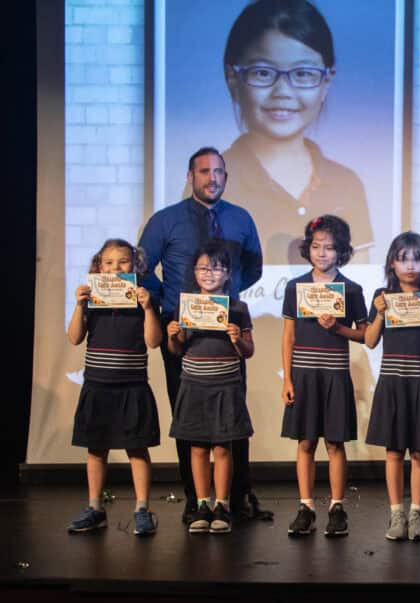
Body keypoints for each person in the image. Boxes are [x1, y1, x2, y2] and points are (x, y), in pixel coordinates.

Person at [139, 146, 269, 525]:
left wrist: (226, 297)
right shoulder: (165, 220)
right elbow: (142, 268)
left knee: (232, 416)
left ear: (226, 177)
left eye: (218, 172)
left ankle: (236, 497)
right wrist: (170, 302)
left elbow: (254, 267)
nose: (212, 178)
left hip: (227, 334)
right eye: (204, 171)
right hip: (182, 332)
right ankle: (194, 499)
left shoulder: (241, 218)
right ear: (190, 176)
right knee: (188, 418)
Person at [221, 0, 373, 264]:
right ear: (233, 78)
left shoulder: (346, 184)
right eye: (263, 72)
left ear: (327, 81)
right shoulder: (214, 182)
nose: (283, 91)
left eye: (303, 74)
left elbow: (358, 276)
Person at [66, 239, 162, 535]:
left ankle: (142, 509)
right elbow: (74, 338)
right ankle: (95, 508)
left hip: (132, 386)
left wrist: (148, 308)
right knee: (96, 449)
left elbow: (154, 341)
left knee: (137, 448)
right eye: (108, 262)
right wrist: (79, 305)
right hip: (97, 385)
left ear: (135, 266)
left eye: (123, 262)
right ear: (98, 266)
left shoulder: (142, 297)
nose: (115, 268)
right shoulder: (92, 299)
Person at [280, 215, 367, 537]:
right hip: (303, 375)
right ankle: (306, 506)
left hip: (335, 374)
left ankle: (336, 506)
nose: (322, 253)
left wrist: (338, 328)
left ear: (341, 251)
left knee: (334, 442)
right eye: (316, 246)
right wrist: (287, 379)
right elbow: (288, 337)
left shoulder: (351, 290)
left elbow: (364, 335)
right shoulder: (295, 287)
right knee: (305, 441)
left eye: (329, 248)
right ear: (308, 248)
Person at [364, 232, 420, 541]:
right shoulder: (382, 295)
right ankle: (396, 513)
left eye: (417, 258)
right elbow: (370, 340)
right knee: (393, 452)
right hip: (392, 382)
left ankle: (416, 514)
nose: (410, 265)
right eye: (403, 259)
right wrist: (380, 313)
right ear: (392, 263)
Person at [167, 242, 256, 535]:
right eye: (203, 267)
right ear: (194, 272)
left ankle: (223, 505)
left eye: (217, 268)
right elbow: (176, 350)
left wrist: (237, 338)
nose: (209, 273)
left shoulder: (237, 308)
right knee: (197, 447)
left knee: (222, 447)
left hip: (226, 386)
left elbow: (248, 351)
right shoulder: (186, 306)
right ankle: (202, 504)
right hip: (194, 384)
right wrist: (173, 335)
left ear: (227, 273)